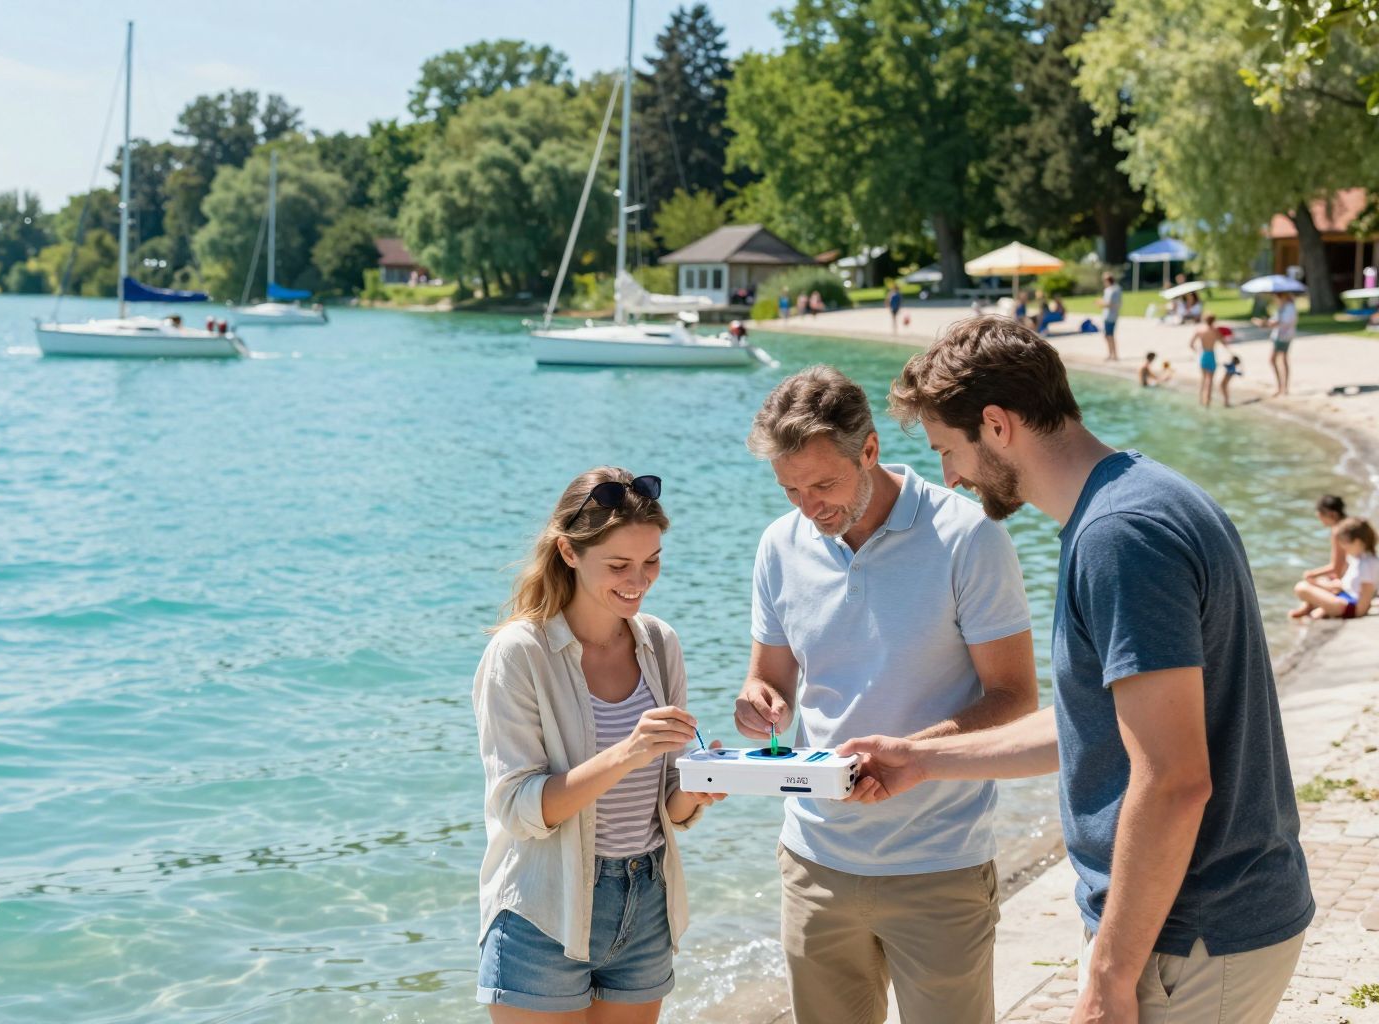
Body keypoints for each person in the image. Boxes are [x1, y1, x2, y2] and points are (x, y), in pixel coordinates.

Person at [851, 316, 1313, 1024]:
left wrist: (1108, 976)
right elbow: (1095, 728)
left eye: (949, 449)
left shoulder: (1117, 538)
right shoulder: (1145, 493)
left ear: (998, 426)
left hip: (1190, 938)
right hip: (1206, 925)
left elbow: (1173, 779)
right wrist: (921, 758)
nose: (948, 475)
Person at [735, 366, 1038, 1024]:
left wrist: (910, 753)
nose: (808, 508)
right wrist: (759, 700)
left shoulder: (969, 536)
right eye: (790, 490)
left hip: (940, 863)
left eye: (823, 484)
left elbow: (1014, 700)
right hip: (813, 860)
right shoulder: (779, 547)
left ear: (869, 449)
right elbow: (770, 678)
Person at [472, 468, 723, 1022]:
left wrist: (700, 790)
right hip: (543, 910)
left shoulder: (659, 643)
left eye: (651, 561)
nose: (640, 579)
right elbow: (519, 810)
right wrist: (628, 752)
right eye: (618, 565)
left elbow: (671, 806)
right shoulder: (520, 654)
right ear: (568, 551)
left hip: (646, 898)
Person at [1291, 517, 1377, 620]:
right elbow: (1351, 585)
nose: (1343, 548)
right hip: (1345, 597)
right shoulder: (1360, 559)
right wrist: (1323, 584)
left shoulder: (1367, 564)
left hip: (1349, 607)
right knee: (1321, 581)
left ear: (1357, 542)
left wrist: (1355, 613)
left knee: (1301, 588)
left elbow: (1363, 603)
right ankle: (1314, 607)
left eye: (1345, 544)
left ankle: (1315, 607)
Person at [1291, 495, 1351, 618]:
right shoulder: (1351, 525)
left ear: (1332, 514)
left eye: (1321, 516)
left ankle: (1311, 607)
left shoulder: (1338, 531)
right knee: (1321, 580)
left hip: (1346, 587)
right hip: (1351, 582)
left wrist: (1311, 574)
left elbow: (1336, 568)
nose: (1320, 519)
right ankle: (1309, 607)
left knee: (1302, 587)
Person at [1254, 292, 1297, 396]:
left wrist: (1266, 324)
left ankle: (1282, 387)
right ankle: (1282, 387)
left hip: (1283, 337)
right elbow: (1275, 321)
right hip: (1281, 336)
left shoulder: (1289, 307)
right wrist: (1265, 323)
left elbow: (1283, 322)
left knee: (1276, 360)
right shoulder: (1283, 307)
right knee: (1281, 360)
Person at [1187, 314, 1223, 407]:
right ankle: (1208, 402)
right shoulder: (1215, 331)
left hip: (1203, 355)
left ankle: (1200, 400)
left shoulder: (1199, 331)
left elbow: (1191, 344)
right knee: (1210, 380)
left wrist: (1197, 352)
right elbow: (1223, 341)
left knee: (1203, 379)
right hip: (1211, 355)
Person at [1099, 272, 1122, 361]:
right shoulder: (1110, 290)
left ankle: (1114, 354)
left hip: (1111, 316)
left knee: (1110, 336)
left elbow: (1112, 304)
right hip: (1107, 315)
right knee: (1107, 335)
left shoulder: (1114, 290)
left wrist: (1101, 303)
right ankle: (1110, 353)